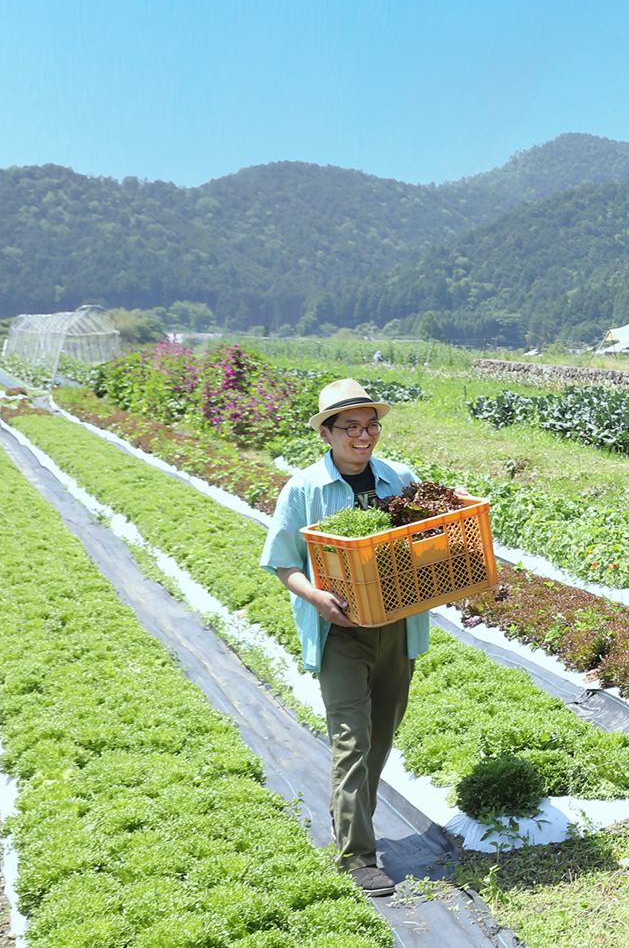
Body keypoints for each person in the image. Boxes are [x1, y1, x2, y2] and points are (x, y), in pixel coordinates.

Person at [259, 378, 432, 897]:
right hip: (341, 634)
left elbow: (425, 541)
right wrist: (316, 598)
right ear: (328, 434)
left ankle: (347, 818)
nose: (363, 435)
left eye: (370, 425)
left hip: (397, 626)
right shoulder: (305, 489)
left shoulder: (399, 479)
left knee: (379, 737)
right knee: (351, 739)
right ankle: (359, 855)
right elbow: (282, 561)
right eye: (350, 427)